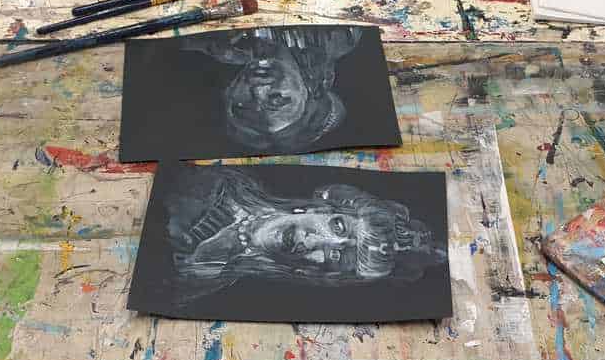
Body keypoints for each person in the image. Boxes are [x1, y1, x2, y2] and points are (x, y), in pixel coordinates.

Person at [165, 167, 444, 299]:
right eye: (337, 226)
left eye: (335, 256)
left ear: (312, 271)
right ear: (318, 209)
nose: (315, 241)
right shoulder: (225, 187)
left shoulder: (214, 279)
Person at [182, 26, 362, 152]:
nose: (259, 90)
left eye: (245, 104)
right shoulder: (341, 36)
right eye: (277, 99)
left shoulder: (218, 44)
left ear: (230, 91)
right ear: (313, 91)